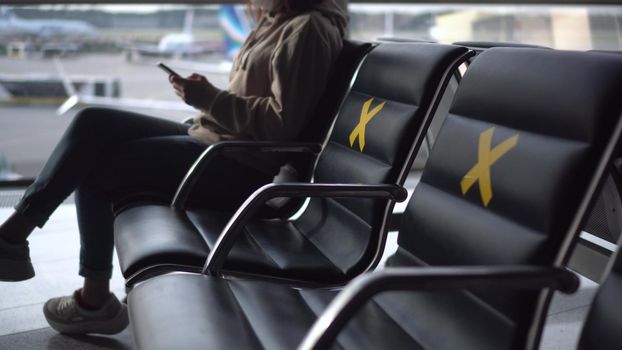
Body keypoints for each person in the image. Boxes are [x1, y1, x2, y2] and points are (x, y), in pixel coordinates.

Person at [0, 0, 347, 335]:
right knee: (93, 121)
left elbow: (281, 124)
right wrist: (204, 99)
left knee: (95, 165)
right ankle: (15, 234)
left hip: (237, 164)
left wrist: (209, 98)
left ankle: (92, 300)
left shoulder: (308, 29)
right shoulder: (279, 20)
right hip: (217, 139)